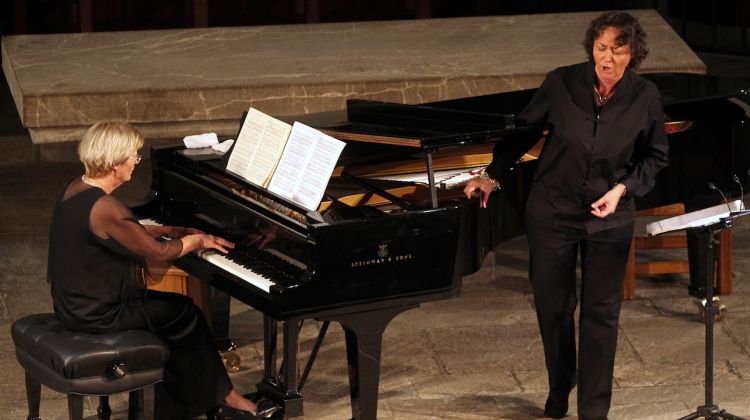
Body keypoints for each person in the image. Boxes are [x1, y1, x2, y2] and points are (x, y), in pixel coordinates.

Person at [464, 11, 669, 420]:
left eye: (617, 49)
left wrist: (622, 190)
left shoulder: (645, 96)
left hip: (608, 217)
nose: (606, 58)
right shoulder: (562, 82)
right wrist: (491, 176)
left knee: (601, 313)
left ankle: (593, 410)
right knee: (553, 307)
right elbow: (522, 132)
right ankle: (561, 387)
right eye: (601, 47)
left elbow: (656, 157)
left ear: (633, 54)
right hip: (553, 212)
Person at [47, 121, 275, 420]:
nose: (136, 162)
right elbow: (158, 253)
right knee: (187, 315)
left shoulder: (76, 187)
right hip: (98, 314)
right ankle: (223, 400)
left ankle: (190, 402)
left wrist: (171, 228)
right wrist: (196, 240)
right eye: (134, 156)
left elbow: (126, 233)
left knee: (175, 318)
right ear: (115, 162)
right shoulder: (106, 207)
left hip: (73, 303)